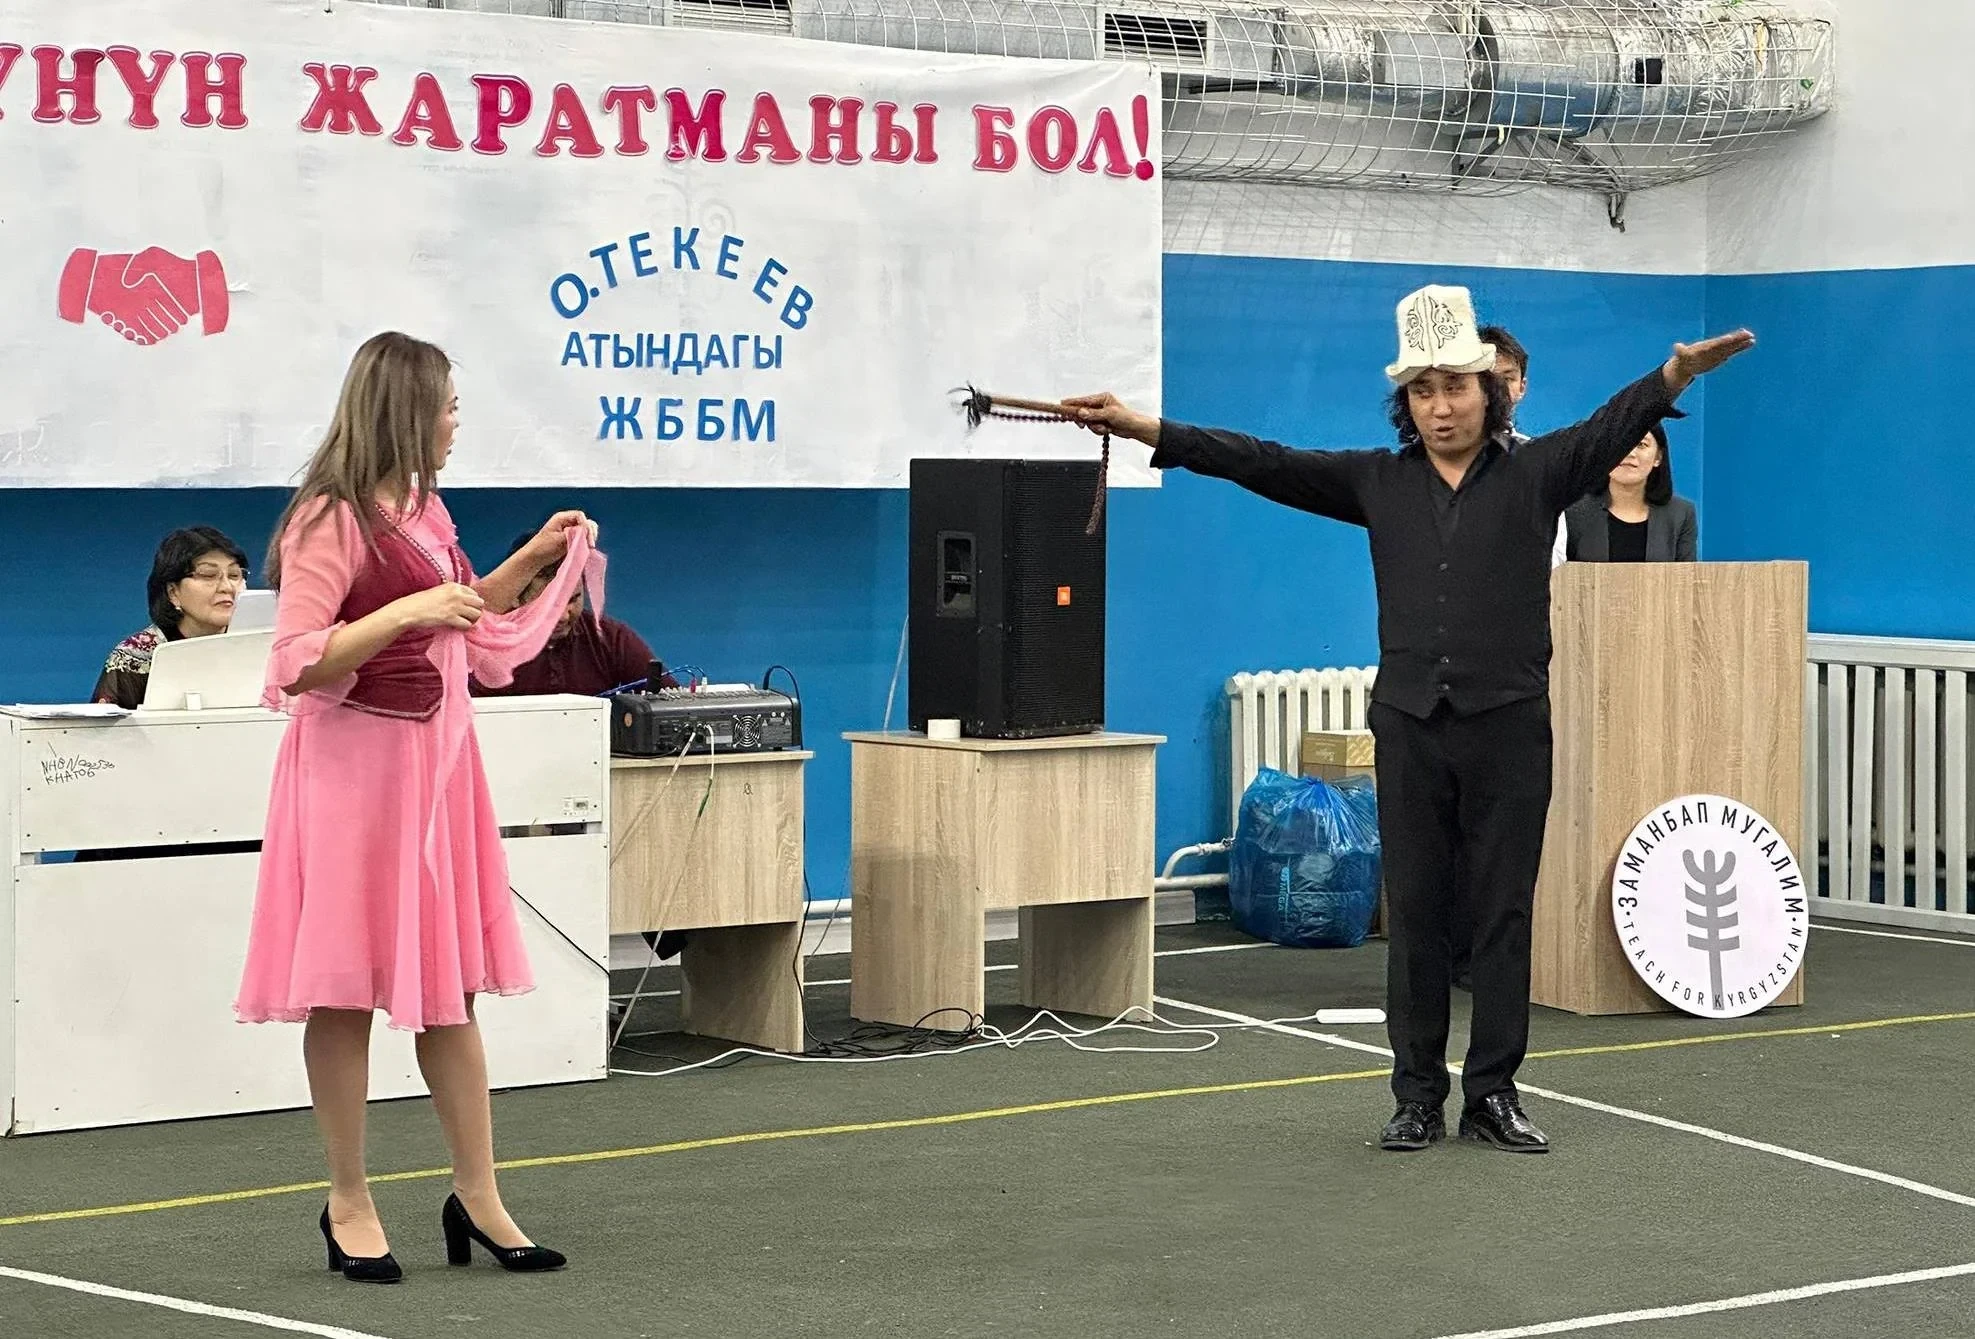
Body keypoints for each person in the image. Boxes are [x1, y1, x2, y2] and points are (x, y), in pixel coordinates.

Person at [1066, 286, 1753, 1155]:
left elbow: (1611, 423)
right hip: (1408, 724)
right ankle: (1417, 1094)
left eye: (1454, 387)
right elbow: (1261, 460)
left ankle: (1493, 1092)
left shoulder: (1540, 473)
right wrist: (1146, 428)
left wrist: (1673, 375)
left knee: (1502, 913)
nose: (1439, 406)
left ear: (1489, 391)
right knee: (1419, 914)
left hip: (1509, 725)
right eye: (1421, 391)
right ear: (1406, 402)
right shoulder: (1376, 480)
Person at [234, 331, 604, 1283]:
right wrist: (407, 612)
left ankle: (478, 1192)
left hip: (437, 772)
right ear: (406, 410)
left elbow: (466, 616)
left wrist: (532, 557)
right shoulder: (329, 518)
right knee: (342, 989)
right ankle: (348, 1199)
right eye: (447, 407)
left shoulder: (425, 510)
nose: (454, 424)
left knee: (452, 987)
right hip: (354, 774)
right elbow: (295, 661)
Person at [469, 530, 676, 698]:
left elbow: (672, 699)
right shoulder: (484, 647)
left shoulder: (609, 638)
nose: (563, 616)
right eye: (550, 603)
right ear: (515, 596)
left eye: (573, 599)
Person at [93, 526, 250, 709]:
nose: (227, 587)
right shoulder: (135, 657)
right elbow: (105, 725)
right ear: (173, 592)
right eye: (208, 575)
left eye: (234, 575)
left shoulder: (260, 647)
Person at [1562, 422, 1698, 562]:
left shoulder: (1681, 514)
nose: (1630, 453)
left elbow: (1686, 574)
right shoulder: (1571, 510)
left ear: (1658, 457)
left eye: (1641, 445)